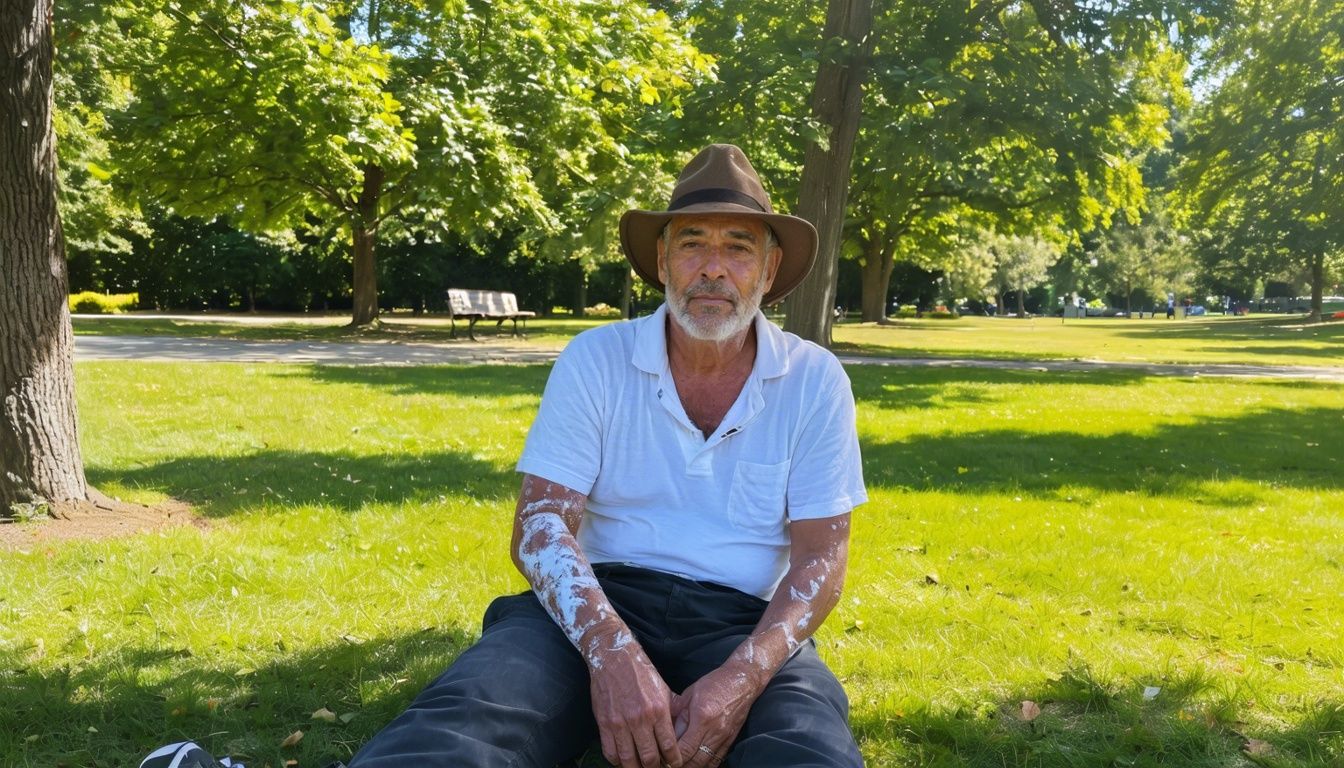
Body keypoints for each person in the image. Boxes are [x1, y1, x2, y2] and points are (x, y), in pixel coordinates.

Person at [146, 145, 868, 768]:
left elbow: (819, 560)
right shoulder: (597, 359)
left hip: (742, 623)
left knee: (808, 746)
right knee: (470, 718)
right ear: (661, 261)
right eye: (692, 243)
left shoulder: (813, 379)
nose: (714, 268)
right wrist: (613, 656)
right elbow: (541, 526)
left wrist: (740, 679)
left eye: (738, 247)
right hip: (591, 602)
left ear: (770, 270)